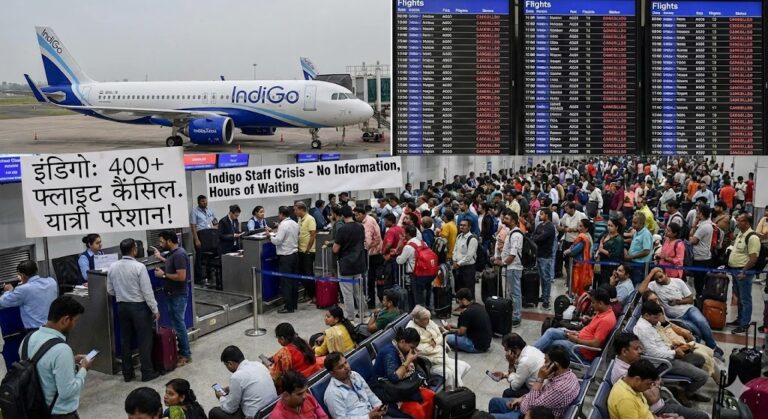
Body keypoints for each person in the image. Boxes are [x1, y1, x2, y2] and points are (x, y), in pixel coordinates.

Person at [610, 332, 708, 419]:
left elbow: (649, 395)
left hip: (656, 409)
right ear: (624, 352)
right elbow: (652, 399)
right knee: (702, 417)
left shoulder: (633, 365)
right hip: (659, 409)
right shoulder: (624, 377)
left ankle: (683, 393)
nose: (640, 351)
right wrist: (656, 383)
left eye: (640, 348)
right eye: (636, 349)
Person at [23, 296, 90, 418]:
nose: (74, 325)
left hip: (33, 411)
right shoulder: (61, 350)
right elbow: (67, 392)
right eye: (74, 321)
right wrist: (83, 369)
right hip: (59, 414)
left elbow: (38, 367)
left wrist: (70, 361)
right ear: (65, 320)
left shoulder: (27, 339)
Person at [632, 300, 710, 407]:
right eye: (655, 318)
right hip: (661, 363)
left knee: (700, 359)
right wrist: (674, 352)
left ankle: (683, 387)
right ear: (646, 315)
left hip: (669, 353)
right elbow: (653, 353)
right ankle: (686, 393)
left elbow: (662, 338)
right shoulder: (643, 329)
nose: (657, 320)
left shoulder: (651, 322)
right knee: (703, 376)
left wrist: (673, 347)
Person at [639, 267, 724, 360]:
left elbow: (691, 299)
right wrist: (651, 273)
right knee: (697, 331)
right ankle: (700, 352)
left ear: (666, 274)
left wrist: (678, 302)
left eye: (661, 277)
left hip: (688, 309)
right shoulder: (653, 285)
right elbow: (641, 290)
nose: (659, 280)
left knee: (701, 322)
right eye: (656, 279)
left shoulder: (678, 282)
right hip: (676, 316)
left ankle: (712, 346)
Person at [108, 238, 160, 382]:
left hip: (122, 307)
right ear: (134, 250)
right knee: (144, 340)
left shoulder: (113, 266)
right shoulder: (139, 267)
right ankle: (147, 372)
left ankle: (127, 373)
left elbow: (110, 290)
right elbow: (147, 291)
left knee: (126, 340)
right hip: (139, 307)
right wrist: (155, 309)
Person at [487, 346, 579, 419]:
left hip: (534, 415)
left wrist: (540, 378)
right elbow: (539, 395)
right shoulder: (569, 375)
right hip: (534, 405)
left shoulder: (559, 389)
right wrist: (521, 398)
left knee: (490, 417)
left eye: (546, 361)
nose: (543, 364)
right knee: (494, 402)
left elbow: (526, 409)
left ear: (555, 365)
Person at [533, 287, 616, 363]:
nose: (591, 305)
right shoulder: (603, 312)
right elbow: (590, 330)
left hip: (582, 350)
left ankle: (531, 357)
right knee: (551, 332)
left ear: (601, 303)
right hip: (578, 337)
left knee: (553, 344)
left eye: (593, 303)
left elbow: (596, 344)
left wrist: (576, 340)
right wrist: (577, 333)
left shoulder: (606, 320)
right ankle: (530, 353)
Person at [372, 327, 436, 419]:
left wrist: (412, 359)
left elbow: (412, 370)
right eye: (411, 347)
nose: (412, 350)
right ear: (402, 341)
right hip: (388, 391)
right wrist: (408, 361)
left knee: (431, 395)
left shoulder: (403, 349)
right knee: (417, 410)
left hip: (403, 386)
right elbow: (394, 377)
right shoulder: (389, 353)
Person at [153, 230, 192, 367]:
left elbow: (181, 277)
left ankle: (185, 354)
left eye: (162, 241)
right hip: (171, 294)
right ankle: (182, 352)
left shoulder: (180, 254)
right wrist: (161, 258)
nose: (160, 244)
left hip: (178, 295)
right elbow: (172, 263)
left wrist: (163, 275)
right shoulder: (173, 254)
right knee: (176, 324)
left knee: (179, 325)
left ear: (169, 241)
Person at [407, 305, 471, 389]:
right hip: (429, 361)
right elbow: (422, 350)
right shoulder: (411, 329)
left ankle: (455, 391)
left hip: (440, 354)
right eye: (425, 319)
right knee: (452, 373)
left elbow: (443, 335)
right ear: (417, 320)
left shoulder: (429, 322)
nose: (428, 321)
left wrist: (435, 342)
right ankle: (455, 392)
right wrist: (438, 344)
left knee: (464, 366)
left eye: (428, 318)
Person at [210, 345, 277, 419]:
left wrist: (221, 397)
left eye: (226, 365)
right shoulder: (258, 364)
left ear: (230, 363)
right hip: (271, 410)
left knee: (214, 412)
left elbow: (230, 409)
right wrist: (233, 389)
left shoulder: (236, 377)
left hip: (256, 416)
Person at [323, 352, 387, 419]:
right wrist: (368, 417)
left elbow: (370, 395)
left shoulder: (354, 375)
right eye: (340, 367)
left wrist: (380, 408)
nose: (346, 367)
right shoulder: (332, 394)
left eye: (345, 362)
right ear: (332, 373)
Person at [727, 213, 762, 334]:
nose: (737, 222)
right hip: (735, 270)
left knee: (745, 298)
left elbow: (753, 258)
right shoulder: (741, 234)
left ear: (747, 223)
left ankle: (744, 323)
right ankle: (740, 319)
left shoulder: (753, 238)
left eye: (740, 221)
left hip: (744, 272)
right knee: (739, 297)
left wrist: (744, 271)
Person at [0, 260, 58, 331]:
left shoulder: (23, 289)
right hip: (54, 326)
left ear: (23, 275)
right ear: (36, 270)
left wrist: (9, 291)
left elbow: (3, 302)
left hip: (36, 330)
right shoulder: (51, 282)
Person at [333, 206, 366, 319]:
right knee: (359, 291)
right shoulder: (360, 226)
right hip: (358, 263)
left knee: (347, 293)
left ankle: (350, 317)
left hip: (346, 265)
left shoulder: (342, 230)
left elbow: (335, 249)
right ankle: (362, 312)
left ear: (342, 216)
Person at [488, 333, 545, 398]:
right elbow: (521, 373)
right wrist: (504, 375)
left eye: (507, 350)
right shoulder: (531, 349)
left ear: (515, 348)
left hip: (538, 393)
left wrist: (511, 363)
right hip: (542, 385)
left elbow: (514, 386)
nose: (506, 353)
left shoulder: (525, 361)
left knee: (508, 392)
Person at [269, 323, 320, 389]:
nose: (278, 341)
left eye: (278, 338)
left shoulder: (284, 352)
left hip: (299, 383)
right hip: (314, 375)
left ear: (282, 338)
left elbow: (278, 375)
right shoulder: (302, 342)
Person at [269, 206, 300, 314]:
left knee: (286, 282)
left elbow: (277, 241)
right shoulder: (295, 223)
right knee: (294, 281)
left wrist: (270, 236)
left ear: (281, 214)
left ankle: (288, 307)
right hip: (295, 255)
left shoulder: (283, 225)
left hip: (286, 257)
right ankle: (294, 304)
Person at [496, 211, 524, 326]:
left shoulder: (516, 235)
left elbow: (512, 254)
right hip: (509, 267)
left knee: (515, 292)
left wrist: (502, 262)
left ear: (513, 221)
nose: (504, 220)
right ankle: (511, 313)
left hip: (513, 267)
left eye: (506, 218)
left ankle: (517, 316)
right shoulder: (510, 232)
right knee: (510, 292)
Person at [444, 288, 493, 353]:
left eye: (459, 301)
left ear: (464, 300)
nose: (459, 304)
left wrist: (449, 330)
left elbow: (461, 332)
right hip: (485, 344)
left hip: (475, 345)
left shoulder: (467, 312)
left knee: (446, 337)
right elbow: (467, 326)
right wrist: (453, 326)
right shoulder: (479, 306)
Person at [354, 206, 383, 309]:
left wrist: (361, 249)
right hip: (374, 253)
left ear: (362, 214)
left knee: (370, 280)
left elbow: (368, 241)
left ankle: (371, 303)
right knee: (374, 279)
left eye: (357, 215)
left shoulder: (367, 223)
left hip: (373, 255)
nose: (356, 217)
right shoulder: (369, 220)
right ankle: (375, 301)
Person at [397, 225, 433, 307]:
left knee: (417, 297)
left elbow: (400, 261)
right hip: (426, 272)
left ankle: (419, 314)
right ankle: (427, 309)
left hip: (416, 274)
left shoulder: (408, 246)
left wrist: (398, 255)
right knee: (425, 293)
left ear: (408, 234)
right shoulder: (423, 243)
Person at [190, 195, 218, 284]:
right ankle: (198, 279)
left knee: (211, 255)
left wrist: (215, 230)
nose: (205, 202)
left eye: (205, 201)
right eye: (202, 201)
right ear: (198, 202)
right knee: (199, 257)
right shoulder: (194, 212)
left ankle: (210, 276)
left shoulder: (210, 210)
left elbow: (215, 222)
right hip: (200, 235)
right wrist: (196, 239)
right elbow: (193, 227)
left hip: (210, 234)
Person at [532, 208, 556, 309]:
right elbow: (534, 236)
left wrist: (537, 237)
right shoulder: (539, 225)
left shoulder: (550, 227)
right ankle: (543, 295)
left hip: (546, 255)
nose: (539, 216)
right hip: (539, 254)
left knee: (546, 278)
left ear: (547, 215)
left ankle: (546, 299)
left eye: (542, 214)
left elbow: (541, 238)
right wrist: (537, 237)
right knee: (542, 277)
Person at [562, 219, 593, 296]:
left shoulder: (585, 238)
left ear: (586, 228)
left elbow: (573, 251)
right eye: (578, 225)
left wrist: (568, 251)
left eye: (581, 226)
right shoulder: (582, 237)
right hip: (578, 265)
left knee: (579, 286)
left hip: (581, 266)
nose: (579, 227)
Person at [688, 206, 714, 297]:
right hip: (703, 255)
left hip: (700, 257)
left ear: (701, 214)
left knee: (699, 281)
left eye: (698, 212)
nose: (696, 214)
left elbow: (693, 241)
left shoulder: (704, 227)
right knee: (699, 280)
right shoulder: (705, 224)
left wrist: (692, 230)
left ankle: (700, 297)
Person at [625, 212, 653, 285]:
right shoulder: (636, 232)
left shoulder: (646, 234)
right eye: (632, 222)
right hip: (634, 262)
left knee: (637, 284)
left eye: (635, 223)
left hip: (641, 265)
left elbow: (646, 251)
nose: (633, 224)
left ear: (642, 223)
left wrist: (631, 256)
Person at [595, 218, 625, 286]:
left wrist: (601, 250)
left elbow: (615, 254)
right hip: (601, 264)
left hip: (611, 266)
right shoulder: (605, 235)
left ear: (616, 227)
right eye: (608, 225)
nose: (609, 227)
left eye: (611, 226)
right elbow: (599, 243)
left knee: (606, 285)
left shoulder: (619, 239)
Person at [452, 219, 478, 294]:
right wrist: (454, 260)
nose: (461, 227)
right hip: (458, 268)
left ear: (469, 227)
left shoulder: (472, 239)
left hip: (468, 269)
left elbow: (469, 257)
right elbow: (455, 250)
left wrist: (458, 264)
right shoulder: (459, 236)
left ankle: (470, 305)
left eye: (464, 225)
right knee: (460, 290)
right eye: (460, 225)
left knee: (468, 290)